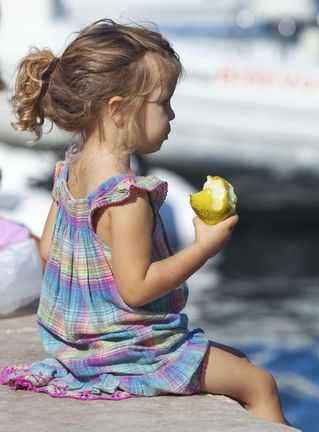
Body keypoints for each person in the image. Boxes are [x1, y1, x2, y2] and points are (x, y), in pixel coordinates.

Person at [0, 19, 290, 426]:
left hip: (78, 346)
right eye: (163, 102)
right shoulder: (127, 195)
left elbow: (49, 252)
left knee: (236, 361)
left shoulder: (71, 168)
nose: (172, 114)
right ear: (118, 109)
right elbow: (137, 288)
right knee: (260, 383)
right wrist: (205, 246)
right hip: (131, 352)